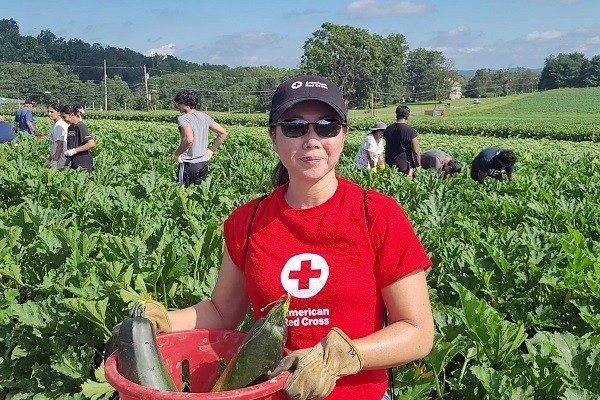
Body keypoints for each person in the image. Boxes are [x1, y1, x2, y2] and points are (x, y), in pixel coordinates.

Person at [107, 75, 434, 400]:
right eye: (294, 127)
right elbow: (222, 312)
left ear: (343, 135)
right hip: (266, 394)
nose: (311, 139)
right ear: (273, 138)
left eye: (327, 125)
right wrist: (162, 320)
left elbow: (418, 332)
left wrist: (342, 357)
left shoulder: (377, 215)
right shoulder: (247, 222)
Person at [173, 90, 228, 187]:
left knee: (182, 194)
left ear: (186, 104)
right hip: (203, 164)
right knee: (199, 195)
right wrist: (211, 150)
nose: (177, 106)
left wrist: (177, 154)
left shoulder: (184, 119)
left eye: (179, 103)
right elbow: (223, 133)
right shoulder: (205, 117)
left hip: (189, 164)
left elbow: (189, 139)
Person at [383, 105, 421, 177]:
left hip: (389, 164)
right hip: (405, 166)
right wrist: (418, 166)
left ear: (396, 115)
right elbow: (416, 152)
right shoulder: (410, 131)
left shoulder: (388, 129)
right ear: (407, 116)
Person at [60, 104, 96, 172]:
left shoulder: (80, 126)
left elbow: (91, 144)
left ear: (72, 114)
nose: (63, 120)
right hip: (74, 161)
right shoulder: (70, 127)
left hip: (83, 161)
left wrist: (74, 150)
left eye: (64, 117)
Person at [45, 103, 69, 169]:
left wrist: (55, 161)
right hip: (58, 159)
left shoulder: (60, 125)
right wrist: (49, 159)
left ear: (59, 113)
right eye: (48, 111)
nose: (49, 114)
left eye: (52, 112)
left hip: (61, 161)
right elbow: (54, 145)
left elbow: (60, 145)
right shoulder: (55, 125)